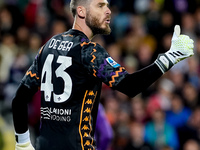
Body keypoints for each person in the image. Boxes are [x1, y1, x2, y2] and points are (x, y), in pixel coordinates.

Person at [12, 0, 194, 149]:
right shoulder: (89, 51)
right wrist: (171, 57)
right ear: (81, 11)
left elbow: (19, 98)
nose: (108, 11)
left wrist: (22, 143)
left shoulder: (48, 46)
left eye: (107, 5)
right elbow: (130, 86)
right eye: (100, 5)